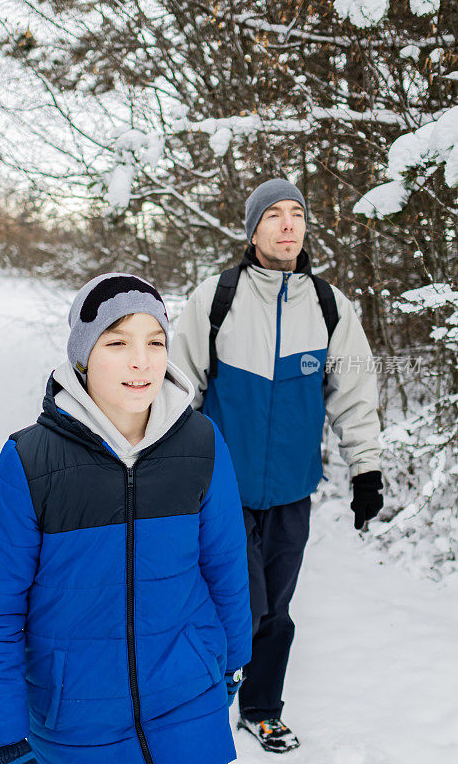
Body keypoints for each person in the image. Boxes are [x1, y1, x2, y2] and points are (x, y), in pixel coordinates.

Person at [0, 273, 252, 764]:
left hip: (190, 709)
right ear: (83, 355)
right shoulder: (30, 461)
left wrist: (232, 662)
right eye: (117, 342)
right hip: (74, 725)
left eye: (155, 341)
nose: (141, 360)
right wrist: (5, 737)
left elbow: (226, 567)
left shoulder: (202, 445)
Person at [170, 178, 383, 755]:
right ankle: (207, 700)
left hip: (292, 490)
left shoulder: (331, 307)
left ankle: (261, 709)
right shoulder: (216, 300)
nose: (288, 225)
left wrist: (365, 469)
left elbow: (353, 395)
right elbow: (178, 388)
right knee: (237, 600)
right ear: (253, 230)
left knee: (277, 611)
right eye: (274, 216)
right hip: (222, 488)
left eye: (297, 214)